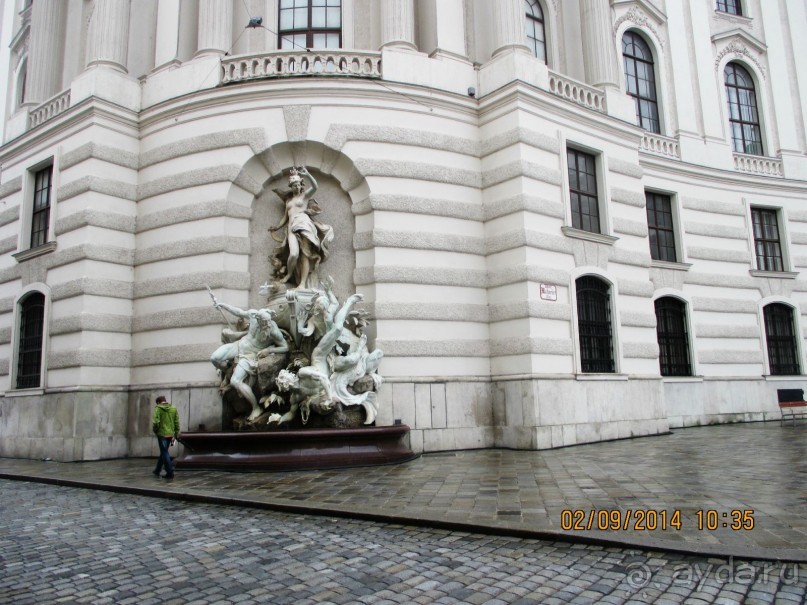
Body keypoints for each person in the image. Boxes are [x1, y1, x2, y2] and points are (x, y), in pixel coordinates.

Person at [209, 303, 289, 421]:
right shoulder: (253, 315)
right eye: (265, 322)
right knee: (214, 358)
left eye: (268, 321)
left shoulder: (273, 330)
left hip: (249, 356)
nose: (267, 324)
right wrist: (222, 305)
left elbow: (285, 347)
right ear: (258, 318)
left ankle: (256, 408)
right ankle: (228, 370)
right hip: (239, 345)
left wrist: (269, 350)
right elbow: (238, 311)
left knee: (235, 381)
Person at [269, 166, 334, 289]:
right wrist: (276, 227)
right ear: (291, 186)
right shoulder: (288, 202)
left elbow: (315, 187)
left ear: (301, 185)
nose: (297, 187)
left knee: (305, 254)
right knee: (293, 254)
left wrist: (308, 175)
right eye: (295, 185)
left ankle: (302, 284)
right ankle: (289, 274)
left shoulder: (304, 197)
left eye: (299, 185)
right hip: (292, 227)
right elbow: (285, 217)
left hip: (304, 224)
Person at [152, 395, 180, 480]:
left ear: (158, 402)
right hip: (171, 434)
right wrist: (176, 432)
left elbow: (156, 422)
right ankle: (157, 469)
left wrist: (156, 431)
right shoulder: (173, 408)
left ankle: (170, 472)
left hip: (162, 434)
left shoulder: (158, 408)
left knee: (164, 452)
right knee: (164, 452)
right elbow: (177, 421)